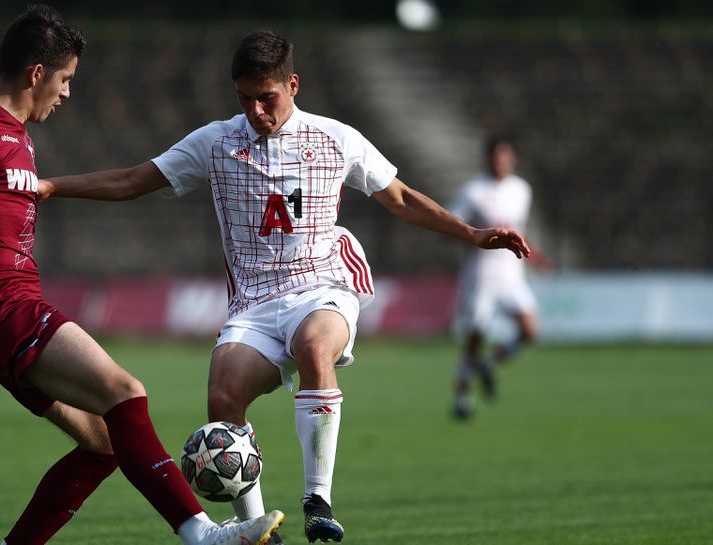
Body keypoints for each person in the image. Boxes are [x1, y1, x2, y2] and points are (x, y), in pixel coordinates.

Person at [37, 30, 530, 544]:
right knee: (223, 395)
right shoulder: (215, 142)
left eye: (266, 97)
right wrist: (55, 184)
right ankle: (256, 527)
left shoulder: (336, 138)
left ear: (292, 85)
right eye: (244, 98)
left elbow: (400, 198)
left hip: (323, 286)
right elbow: (134, 179)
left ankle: (318, 500)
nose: (255, 109)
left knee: (315, 346)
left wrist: (472, 234)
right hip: (253, 303)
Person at [0, 7, 284, 545]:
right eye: (65, 79)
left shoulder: (18, 138)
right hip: (0, 306)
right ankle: (203, 534)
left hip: (1, 313)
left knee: (103, 442)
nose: (67, 92)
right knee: (125, 392)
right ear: (36, 74)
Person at [448, 135, 552, 420]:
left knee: (530, 331)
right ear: (488, 158)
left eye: (505, 156)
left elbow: (519, 229)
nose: (500, 161)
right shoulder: (473, 192)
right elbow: (452, 225)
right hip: (480, 275)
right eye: (496, 156)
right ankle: (462, 396)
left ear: (513, 159)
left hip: (511, 274)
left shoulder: (521, 189)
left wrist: (537, 257)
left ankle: (490, 365)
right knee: (475, 336)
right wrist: (470, 238)